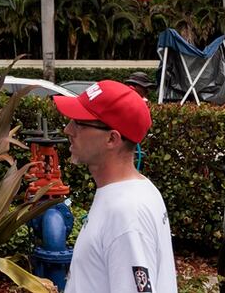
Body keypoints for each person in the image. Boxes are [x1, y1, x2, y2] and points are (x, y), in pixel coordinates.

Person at [54, 80, 177, 293]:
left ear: (112, 139)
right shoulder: (135, 191)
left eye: (79, 123)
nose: (68, 129)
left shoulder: (125, 213)